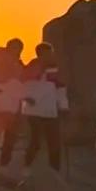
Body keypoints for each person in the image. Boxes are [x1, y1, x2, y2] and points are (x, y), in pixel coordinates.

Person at [20, 43, 68, 172]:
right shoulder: (32, 66)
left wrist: (63, 106)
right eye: (49, 52)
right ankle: (27, 168)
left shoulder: (53, 67)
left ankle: (54, 171)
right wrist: (26, 97)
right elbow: (23, 84)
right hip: (35, 110)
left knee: (54, 143)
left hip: (50, 110)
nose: (51, 55)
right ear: (42, 53)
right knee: (35, 142)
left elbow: (60, 86)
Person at [0, 39, 26, 167]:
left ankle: (2, 162)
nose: (19, 53)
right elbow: (4, 78)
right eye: (18, 50)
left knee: (8, 134)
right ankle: (0, 163)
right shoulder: (4, 60)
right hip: (4, 103)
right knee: (5, 133)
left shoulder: (12, 61)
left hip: (8, 103)